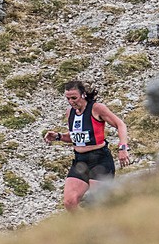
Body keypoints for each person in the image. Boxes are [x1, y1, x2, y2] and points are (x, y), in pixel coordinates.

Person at [44, 79, 130, 211]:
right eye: (68, 98)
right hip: (80, 161)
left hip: (100, 160)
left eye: (74, 98)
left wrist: (123, 147)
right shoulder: (70, 112)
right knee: (69, 202)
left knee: (98, 204)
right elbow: (76, 137)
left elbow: (120, 125)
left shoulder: (96, 108)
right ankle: (84, 229)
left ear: (83, 94)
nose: (71, 102)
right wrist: (58, 136)